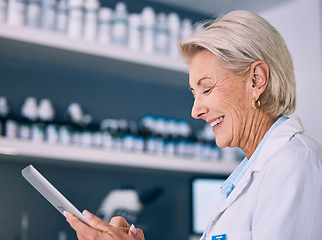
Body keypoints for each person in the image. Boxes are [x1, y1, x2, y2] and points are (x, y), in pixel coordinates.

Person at [65, 10, 322, 240]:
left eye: (207, 89)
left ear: (256, 80)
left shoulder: (294, 163)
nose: (195, 110)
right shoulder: (254, 170)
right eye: (194, 94)